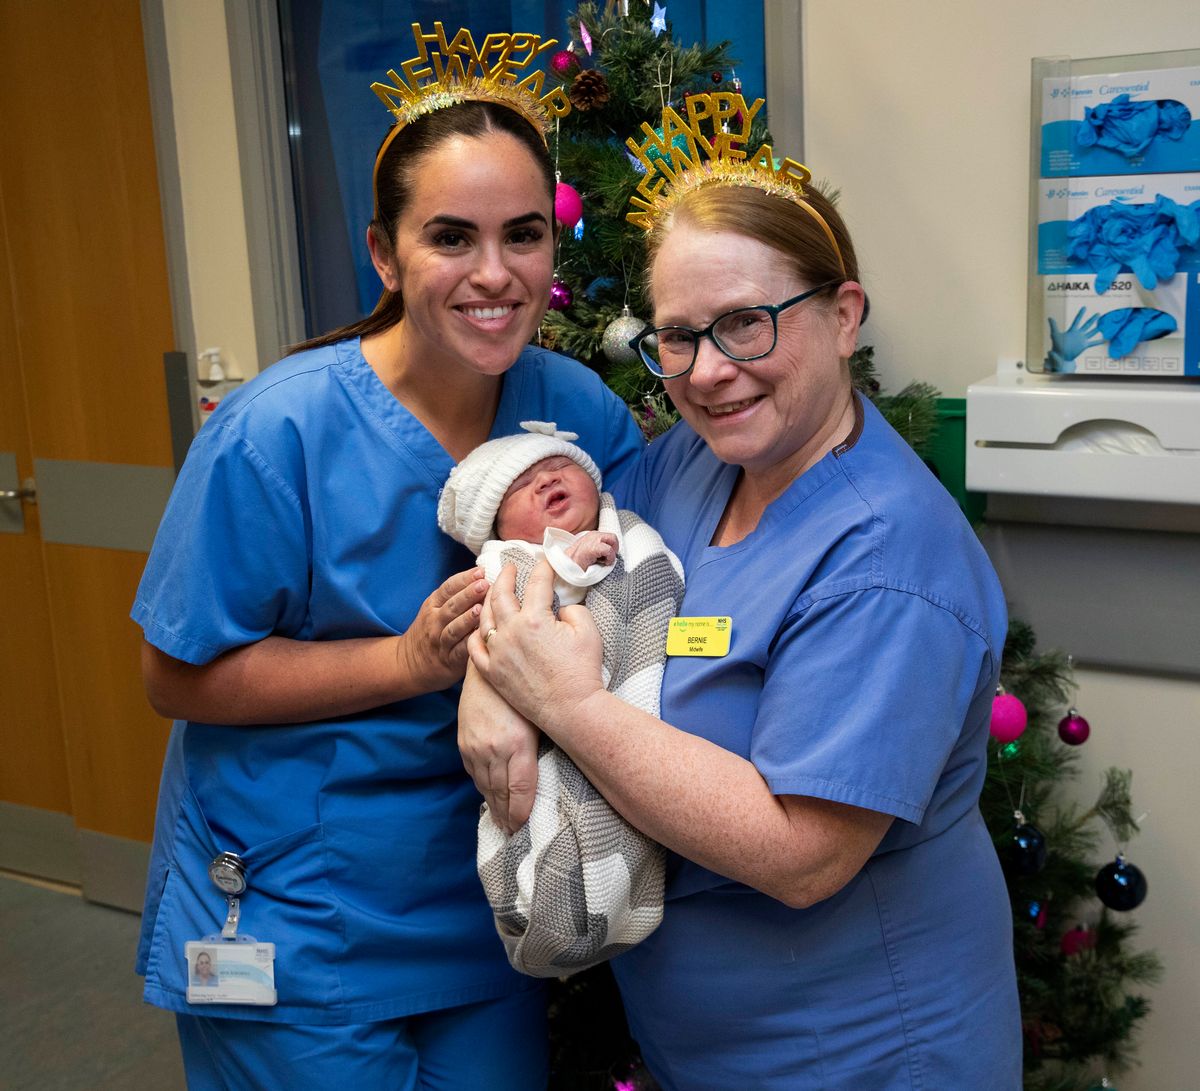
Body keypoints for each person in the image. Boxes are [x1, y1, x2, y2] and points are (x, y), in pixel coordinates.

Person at [460, 91, 1022, 1089]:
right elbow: (561, 568)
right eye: (677, 337)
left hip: (864, 1055)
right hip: (708, 1048)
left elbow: (801, 853)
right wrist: (489, 690)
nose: (709, 372)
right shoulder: (693, 463)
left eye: (745, 324)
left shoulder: (888, 560)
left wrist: (565, 704)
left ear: (843, 316)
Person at [131, 24, 642, 1090]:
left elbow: (638, 593)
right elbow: (175, 675)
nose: (494, 273)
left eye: (524, 235)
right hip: (297, 908)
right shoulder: (278, 432)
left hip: (490, 899)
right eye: (451, 236)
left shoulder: (577, 413)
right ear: (383, 253)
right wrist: (407, 661)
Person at [437, 420, 684, 979]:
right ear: (497, 527)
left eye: (558, 466)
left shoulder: (630, 530)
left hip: (617, 712)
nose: (546, 479)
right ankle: (562, 899)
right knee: (547, 797)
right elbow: (534, 601)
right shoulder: (508, 560)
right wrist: (569, 561)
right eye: (520, 486)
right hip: (556, 736)